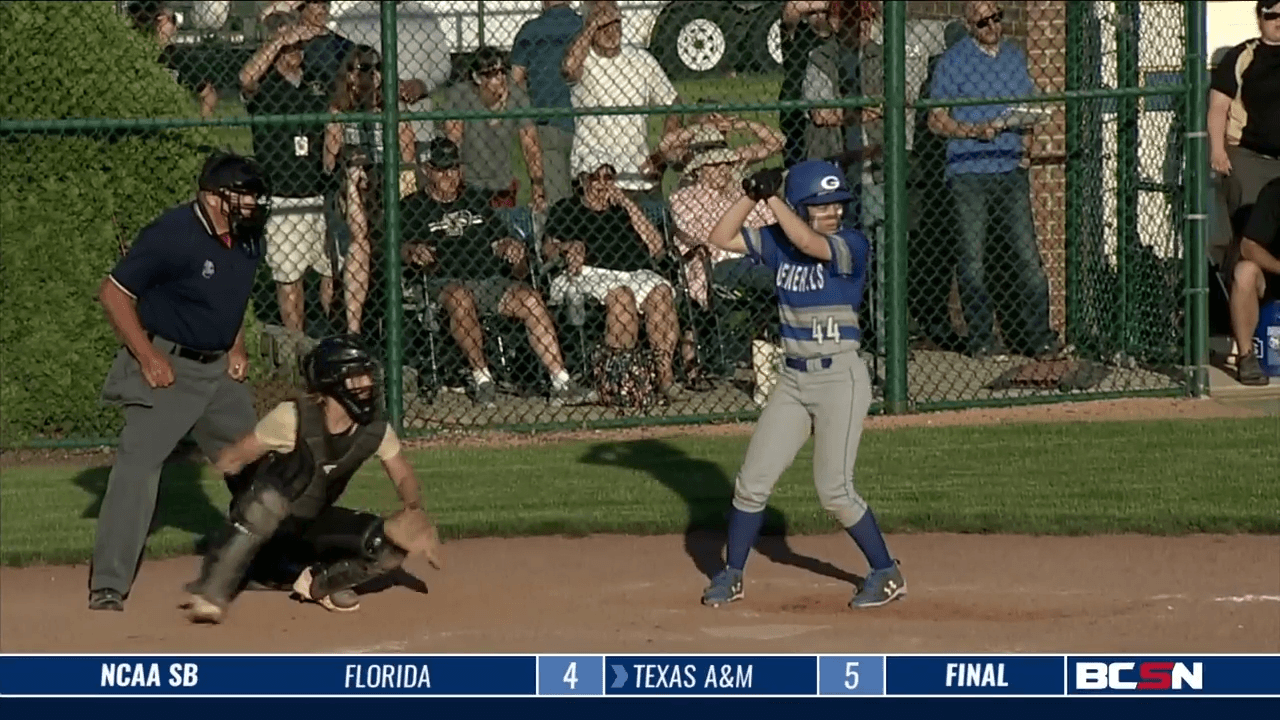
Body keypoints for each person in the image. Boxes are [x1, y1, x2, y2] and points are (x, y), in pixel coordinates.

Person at [699, 160, 905, 609]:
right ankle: (733, 573)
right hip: (792, 379)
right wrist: (752, 194)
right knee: (751, 483)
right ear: (800, 207)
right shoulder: (777, 240)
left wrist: (773, 198)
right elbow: (720, 236)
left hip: (840, 379)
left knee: (834, 490)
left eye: (837, 204)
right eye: (820, 205)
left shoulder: (852, 244)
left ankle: (886, 572)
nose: (833, 212)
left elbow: (809, 243)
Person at [88, 152, 271, 612]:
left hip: (217, 372)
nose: (252, 203)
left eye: (254, 195)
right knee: (137, 469)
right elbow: (113, 294)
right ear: (212, 197)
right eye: (244, 194)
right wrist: (147, 357)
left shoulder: (249, 237)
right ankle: (108, 583)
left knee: (255, 466)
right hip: (170, 367)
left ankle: (262, 563)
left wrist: (236, 347)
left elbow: (231, 298)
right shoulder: (172, 233)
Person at [181, 335, 442, 623]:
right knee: (267, 502)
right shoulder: (293, 417)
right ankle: (212, 593)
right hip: (268, 528)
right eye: (358, 376)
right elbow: (237, 457)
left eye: (368, 375)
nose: (368, 383)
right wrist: (226, 473)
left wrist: (413, 509)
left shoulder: (374, 428)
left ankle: (319, 582)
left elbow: (402, 472)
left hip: (312, 524)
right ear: (332, 381)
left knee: (388, 544)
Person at [400, 138, 594, 407]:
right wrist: (414, 252)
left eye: (454, 168)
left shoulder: (476, 199)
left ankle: (561, 381)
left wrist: (510, 248)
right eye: (442, 170)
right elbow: (401, 248)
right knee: (460, 298)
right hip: (443, 282)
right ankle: (483, 379)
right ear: (427, 170)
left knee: (531, 299)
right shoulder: (413, 206)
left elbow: (501, 242)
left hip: (489, 280)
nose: (449, 176)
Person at [927, 1, 1061, 359]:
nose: (992, 26)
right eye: (983, 22)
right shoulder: (952, 62)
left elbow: (1028, 108)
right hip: (970, 171)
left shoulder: (1014, 58)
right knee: (973, 259)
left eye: (996, 18)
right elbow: (935, 120)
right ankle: (982, 338)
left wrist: (1026, 149)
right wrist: (973, 131)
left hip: (1009, 168)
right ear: (969, 25)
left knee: (1028, 257)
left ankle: (1040, 337)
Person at [544, 161, 684, 400]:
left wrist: (627, 203)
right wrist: (567, 246)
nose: (602, 184)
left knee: (661, 291)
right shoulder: (566, 207)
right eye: (595, 177)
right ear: (583, 180)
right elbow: (548, 250)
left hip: (633, 272)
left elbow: (656, 246)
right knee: (622, 296)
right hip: (587, 273)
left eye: (608, 178)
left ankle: (665, 377)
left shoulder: (624, 209)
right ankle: (618, 380)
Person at [241, 3, 338, 337]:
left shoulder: (315, 82)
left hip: (318, 191)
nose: (297, 51)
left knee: (330, 270)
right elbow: (245, 78)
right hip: (283, 195)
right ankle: (296, 342)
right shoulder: (264, 85)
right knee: (290, 276)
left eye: (299, 45)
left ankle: (331, 335)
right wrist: (279, 40)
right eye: (290, 46)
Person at [323, 44, 417, 335]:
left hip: (388, 194)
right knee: (359, 243)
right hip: (352, 195)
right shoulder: (339, 112)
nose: (374, 75)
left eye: (378, 69)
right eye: (365, 68)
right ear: (351, 75)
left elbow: (408, 163)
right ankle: (352, 331)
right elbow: (328, 165)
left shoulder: (393, 111)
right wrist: (349, 161)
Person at [562, 0, 681, 200]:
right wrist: (592, 25)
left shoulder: (641, 59)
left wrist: (666, 140)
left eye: (615, 24)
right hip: (595, 174)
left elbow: (673, 101)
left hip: (637, 172)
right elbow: (568, 68)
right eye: (603, 26)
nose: (611, 32)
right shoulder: (585, 59)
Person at [1208, 0, 1280, 265]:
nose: (1279, 21)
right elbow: (1218, 107)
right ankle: (1241, 283)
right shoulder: (1241, 57)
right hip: (1251, 159)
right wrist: (1217, 151)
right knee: (1250, 228)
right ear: (1259, 18)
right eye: (1272, 15)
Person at [443, 47, 546, 212]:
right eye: (492, 73)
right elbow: (454, 140)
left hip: (505, 182)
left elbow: (531, 145)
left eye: (502, 71)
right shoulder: (460, 95)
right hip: (469, 182)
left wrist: (538, 184)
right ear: (477, 78)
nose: (500, 78)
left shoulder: (517, 96)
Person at [511, 0, 584, 209]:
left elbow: (515, 80)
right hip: (589, 121)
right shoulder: (584, 26)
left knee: (556, 204)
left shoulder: (531, 30)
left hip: (549, 122)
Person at [1228, 178, 1280, 385]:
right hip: (1272, 281)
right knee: (1244, 272)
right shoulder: (1275, 192)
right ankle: (1246, 357)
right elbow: (1248, 247)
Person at [126, 0, 218, 118]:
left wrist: (200, 124)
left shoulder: (177, 56)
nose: (175, 27)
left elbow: (208, 95)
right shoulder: (131, 53)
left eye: (173, 20)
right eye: (171, 20)